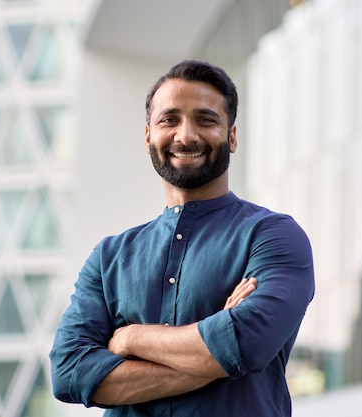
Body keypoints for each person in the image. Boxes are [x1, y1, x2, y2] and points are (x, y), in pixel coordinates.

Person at [50, 59, 315, 416]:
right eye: (169, 120)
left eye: (205, 120)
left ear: (232, 137)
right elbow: (68, 373)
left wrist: (131, 338)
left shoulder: (273, 236)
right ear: (148, 137)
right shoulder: (109, 256)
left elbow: (245, 342)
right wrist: (210, 352)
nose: (186, 135)